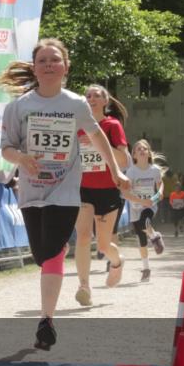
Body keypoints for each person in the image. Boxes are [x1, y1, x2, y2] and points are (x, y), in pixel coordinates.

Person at [0, 39, 129, 350]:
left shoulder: (75, 104)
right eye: (42, 60)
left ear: (65, 67)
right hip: (32, 191)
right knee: (41, 255)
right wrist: (21, 159)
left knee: (55, 250)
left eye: (54, 60)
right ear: (34, 67)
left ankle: (46, 319)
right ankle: (48, 311)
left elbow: (98, 139)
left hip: (66, 190)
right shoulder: (19, 107)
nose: (48, 64)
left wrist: (116, 171)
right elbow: (6, 148)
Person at [73, 84, 131, 303]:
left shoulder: (112, 125)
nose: (91, 98)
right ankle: (84, 286)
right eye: (88, 95)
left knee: (104, 244)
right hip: (82, 189)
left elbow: (124, 160)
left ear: (105, 101)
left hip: (108, 190)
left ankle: (117, 262)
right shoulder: (76, 125)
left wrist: (98, 145)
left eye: (97, 95)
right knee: (84, 236)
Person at [124, 140, 165, 282]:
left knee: (146, 220)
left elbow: (160, 185)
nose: (142, 150)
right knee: (141, 239)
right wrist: (141, 201)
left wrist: (160, 192)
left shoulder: (154, 170)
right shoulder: (131, 171)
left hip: (150, 205)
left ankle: (153, 237)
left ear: (148, 153)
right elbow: (126, 194)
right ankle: (146, 268)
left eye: (145, 148)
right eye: (138, 149)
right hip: (136, 206)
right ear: (134, 154)